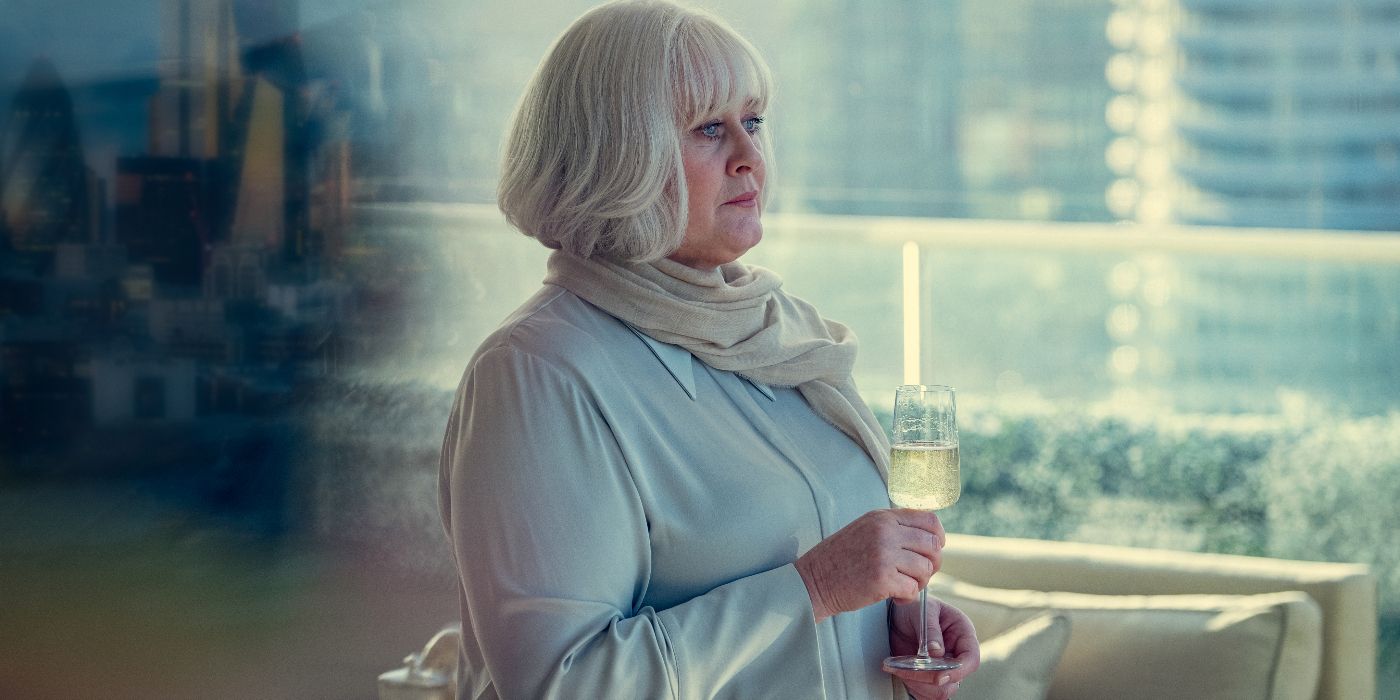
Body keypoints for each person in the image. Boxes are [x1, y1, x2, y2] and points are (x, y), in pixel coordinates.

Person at [438, 1, 981, 697]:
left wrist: (882, 627)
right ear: (617, 156)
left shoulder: (778, 334)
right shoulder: (538, 375)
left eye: (754, 122)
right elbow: (563, 685)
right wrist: (814, 591)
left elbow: (815, 586)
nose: (751, 158)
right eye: (709, 130)